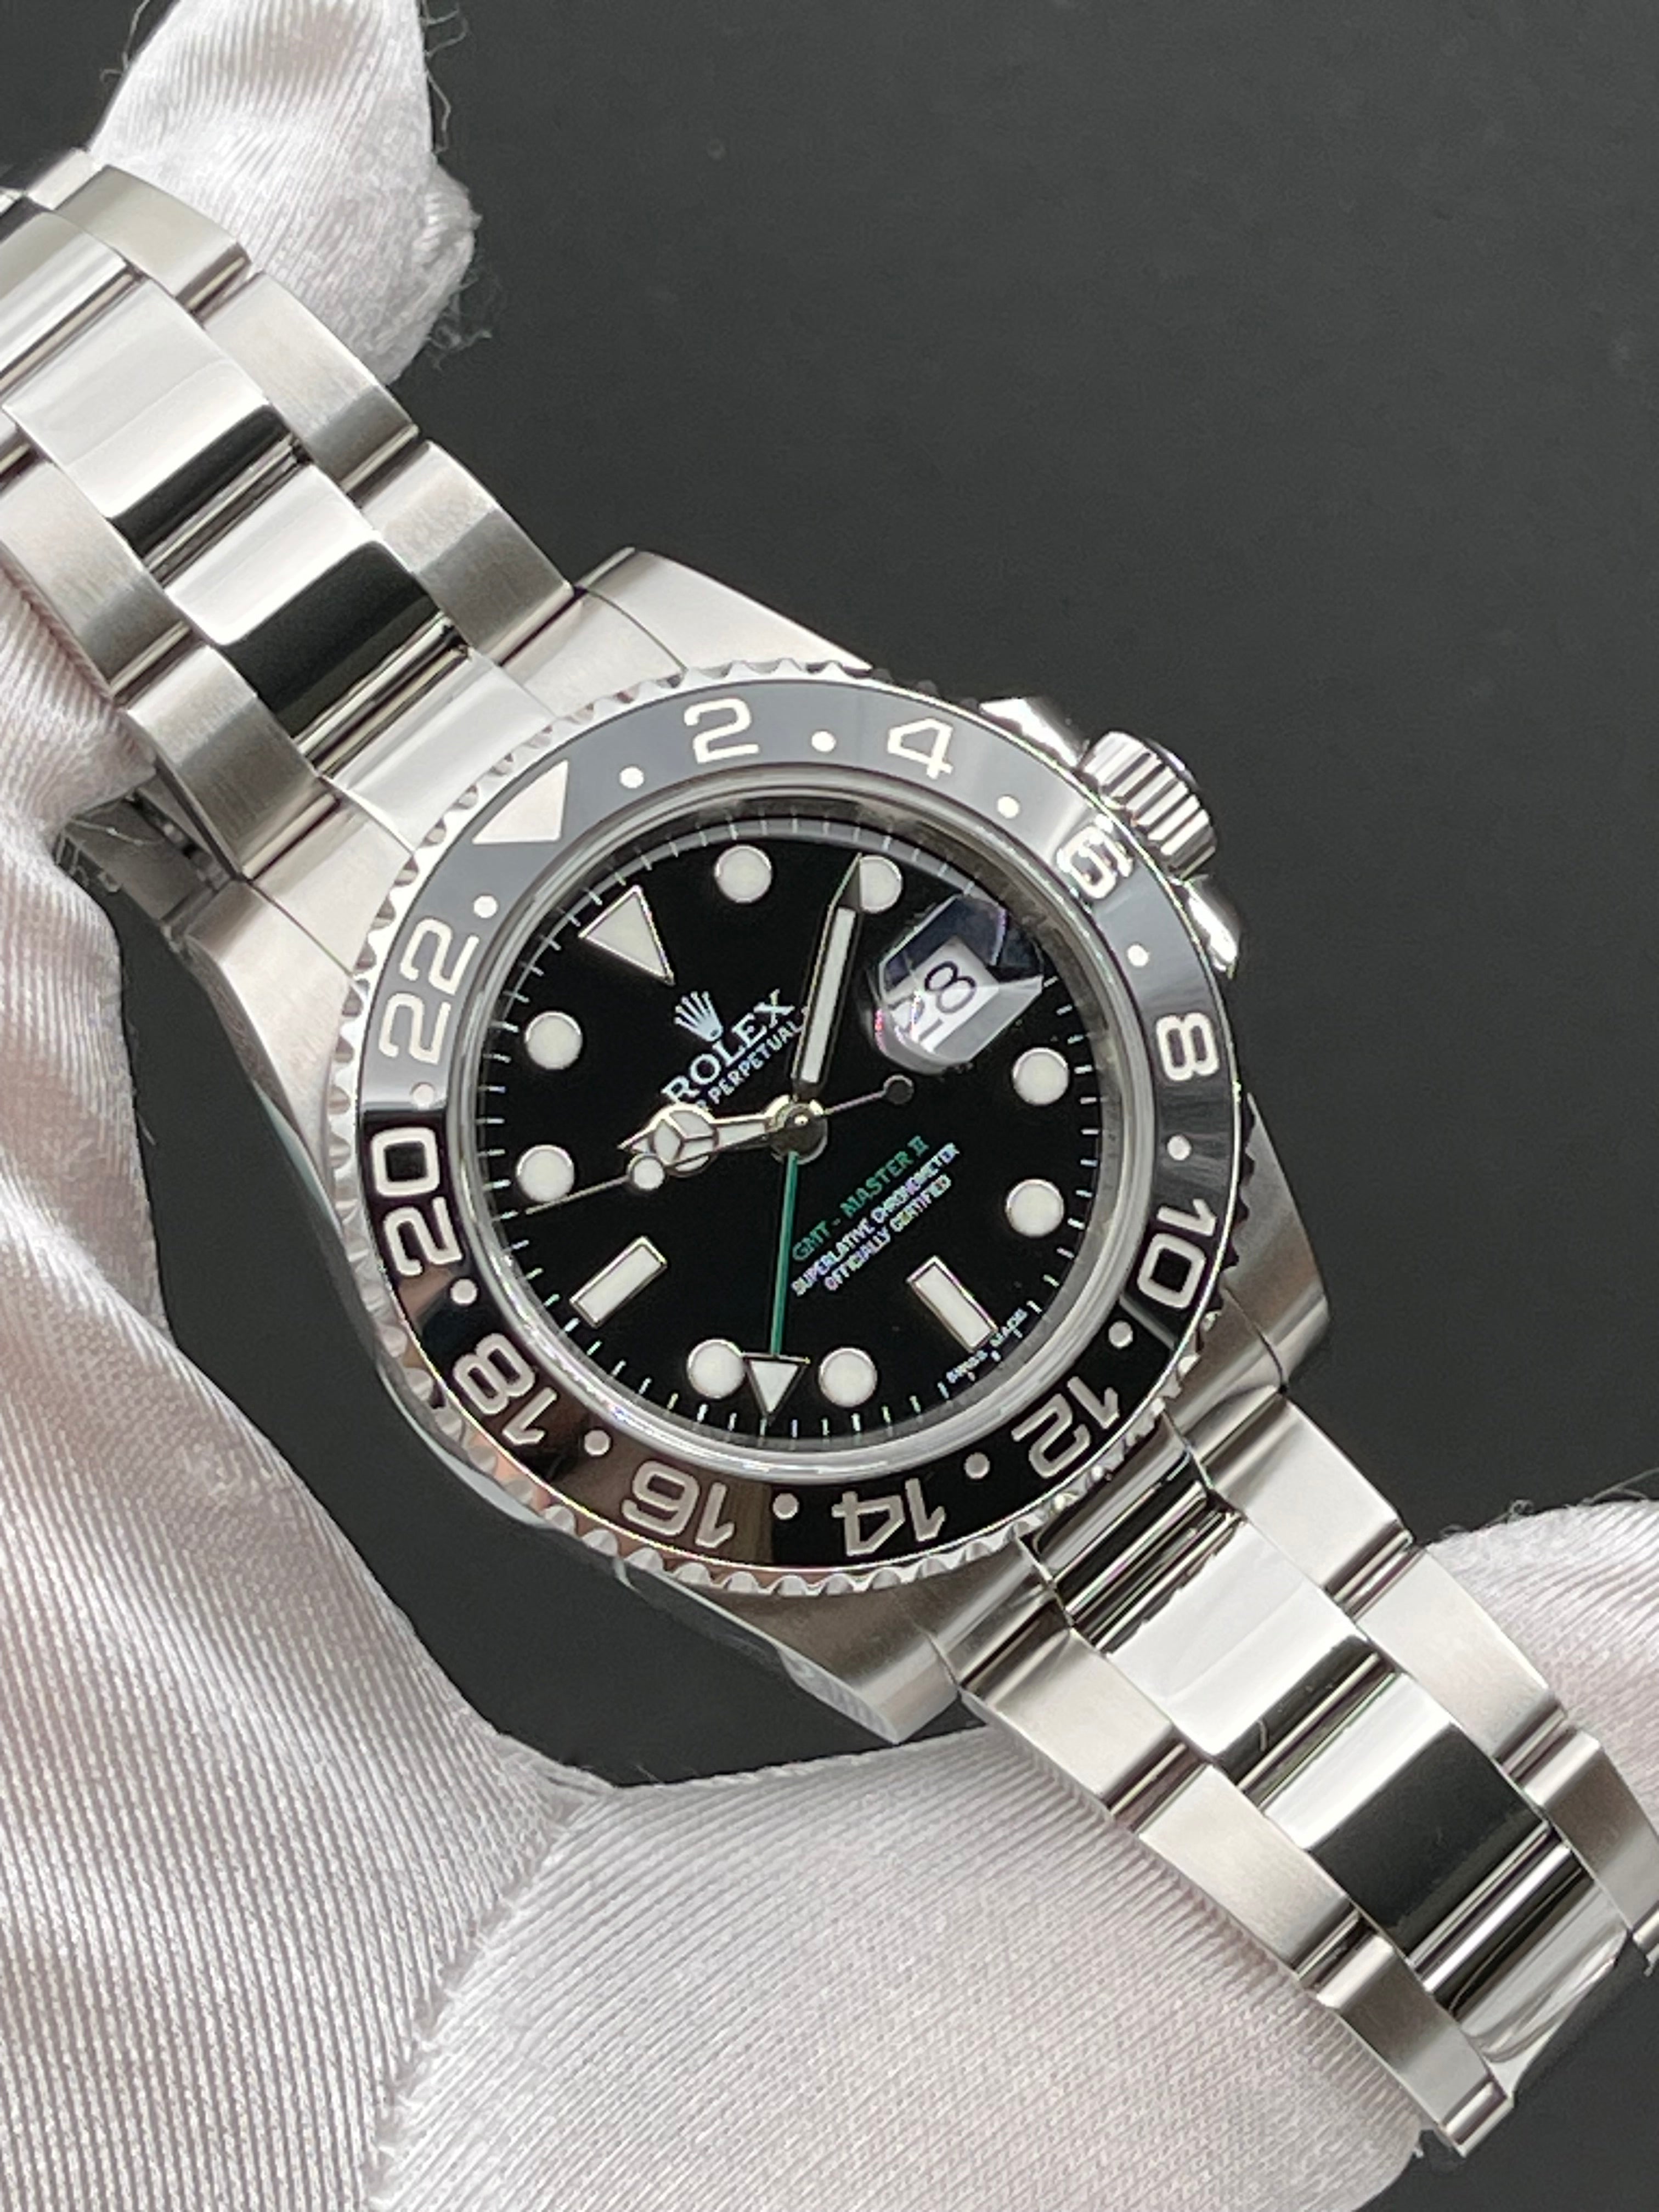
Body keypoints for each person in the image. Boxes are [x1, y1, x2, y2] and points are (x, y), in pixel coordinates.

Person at [2, 3, 1654, 2205]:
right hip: (904, 1439)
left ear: (1088, 837)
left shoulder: (608, 756)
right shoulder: (296, 954)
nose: (796, 1131)